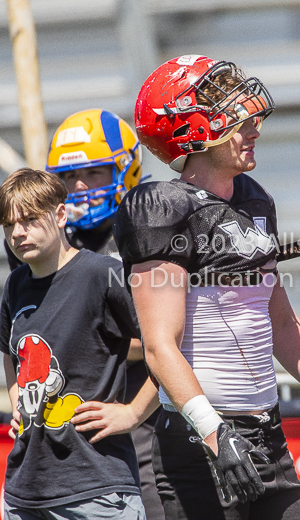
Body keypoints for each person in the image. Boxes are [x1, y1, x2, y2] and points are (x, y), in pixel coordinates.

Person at [112, 55, 300, 520]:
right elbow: (159, 346)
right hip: (201, 439)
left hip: (267, 433)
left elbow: (280, 321)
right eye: (237, 118)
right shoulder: (161, 208)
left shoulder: (255, 198)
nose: (254, 128)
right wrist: (215, 433)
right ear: (191, 130)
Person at [3, 109, 165, 520]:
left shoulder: (148, 227)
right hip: (49, 450)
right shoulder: (33, 241)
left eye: (94, 173)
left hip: (143, 412)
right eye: (70, 178)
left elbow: (173, 339)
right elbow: (19, 336)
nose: (80, 187)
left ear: (125, 170)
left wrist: (87, 338)